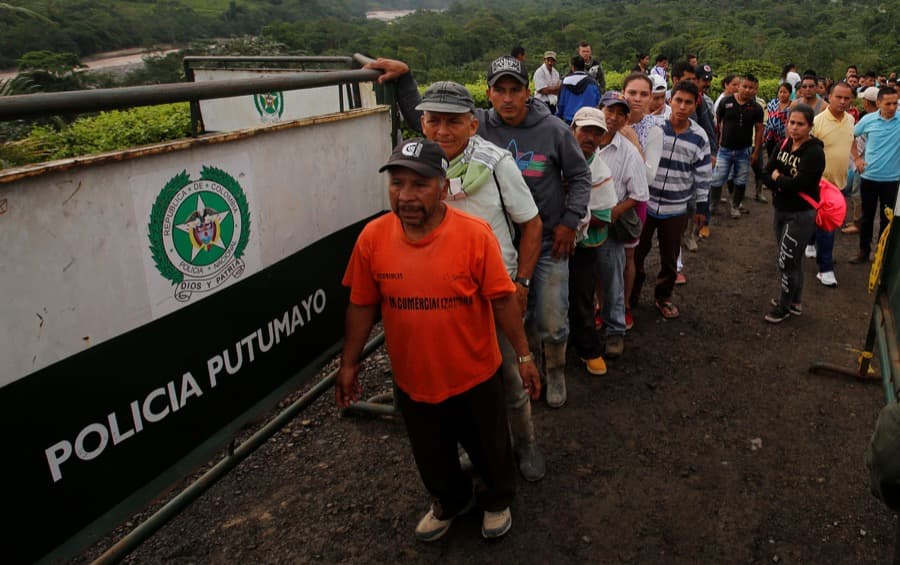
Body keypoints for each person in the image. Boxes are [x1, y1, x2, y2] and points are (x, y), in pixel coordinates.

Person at [337, 138, 541, 541]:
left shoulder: (475, 235)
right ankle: (450, 499)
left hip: (475, 375)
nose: (406, 196)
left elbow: (501, 301)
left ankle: (497, 499)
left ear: (444, 187)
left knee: (490, 446)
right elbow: (362, 305)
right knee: (431, 451)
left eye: (420, 184)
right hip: (413, 378)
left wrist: (523, 356)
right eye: (397, 184)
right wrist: (349, 363)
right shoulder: (372, 239)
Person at [364, 55, 592, 408]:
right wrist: (406, 78)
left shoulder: (554, 131)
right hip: (502, 248)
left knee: (551, 318)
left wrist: (569, 221)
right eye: (499, 90)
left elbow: (580, 176)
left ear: (527, 92)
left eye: (515, 90)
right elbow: (429, 125)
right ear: (488, 93)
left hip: (545, 239)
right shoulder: (478, 124)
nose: (507, 98)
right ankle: (525, 368)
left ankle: (556, 368)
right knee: (517, 317)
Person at [415, 80, 547, 481]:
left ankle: (524, 444)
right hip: (443, 297)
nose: (442, 131)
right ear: (422, 125)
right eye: (433, 121)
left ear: (472, 125)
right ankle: (481, 449)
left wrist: (522, 284)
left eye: (453, 121)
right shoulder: (418, 168)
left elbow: (532, 224)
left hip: (497, 290)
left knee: (510, 374)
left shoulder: (495, 162)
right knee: (458, 385)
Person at [631, 80, 711, 320]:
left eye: (688, 102)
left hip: (676, 208)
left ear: (695, 104)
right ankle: (630, 296)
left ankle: (663, 297)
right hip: (646, 203)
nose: (682, 106)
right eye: (678, 100)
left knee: (669, 258)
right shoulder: (653, 127)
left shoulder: (699, 137)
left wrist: (702, 207)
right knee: (636, 254)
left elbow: (703, 175)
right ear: (669, 100)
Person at [762, 105, 825, 323]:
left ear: (810, 126)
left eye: (800, 124)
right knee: (791, 258)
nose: (794, 128)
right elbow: (764, 172)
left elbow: (802, 184)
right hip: (781, 209)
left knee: (786, 261)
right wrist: (780, 181)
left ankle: (784, 306)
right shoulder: (783, 144)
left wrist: (778, 179)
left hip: (800, 214)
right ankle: (794, 302)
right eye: (791, 123)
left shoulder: (815, 152)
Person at [597, 94, 650, 343]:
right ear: (600, 110)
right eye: (609, 110)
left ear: (626, 119)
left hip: (610, 225)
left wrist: (614, 213)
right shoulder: (581, 141)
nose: (613, 117)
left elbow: (639, 193)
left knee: (612, 280)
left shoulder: (628, 152)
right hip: (580, 224)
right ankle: (592, 320)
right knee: (586, 278)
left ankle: (615, 330)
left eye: (620, 113)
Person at [567, 107, 618, 370]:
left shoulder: (599, 170)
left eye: (596, 132)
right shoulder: (558, 159)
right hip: (552, 239)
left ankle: (587, 348)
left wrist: (575, 221)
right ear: (572, 129)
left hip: (584, 243)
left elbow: (605, 214)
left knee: (582, 295)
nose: (589, 137)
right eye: (585, 129)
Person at [808, 82, 856, 288]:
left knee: (820, 220)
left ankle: (810, 243)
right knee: (828, 226)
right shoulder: (817, 122)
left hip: (841, 182)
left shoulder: (852, 120)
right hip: (821, 184)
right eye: (839, 97)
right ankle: (825, 269)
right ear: (829, 96)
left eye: (847, 98)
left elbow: (851, 143)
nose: (843, 101)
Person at [849, 86, 900, 264]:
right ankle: (863, 251)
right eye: (888, 103)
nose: (893, 107)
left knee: (887, 220)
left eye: (896, 103)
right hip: (869, 178)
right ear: (878, 103)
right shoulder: (868, 120)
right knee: (867, 217)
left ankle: (882, 253)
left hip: (892, 180)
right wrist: (856, 159)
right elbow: (850, 137)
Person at [711, 73, 764, 219]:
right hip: (725, 149)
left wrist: (756, 152)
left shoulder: (757, 108)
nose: (747, 90)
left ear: (756, 90)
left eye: (751, 88)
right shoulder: (725, 102)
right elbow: (718, 123)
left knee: (741, 180)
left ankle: (735, 206)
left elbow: (760, 131)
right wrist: (717, 145)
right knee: (717, 179)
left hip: (744, 151)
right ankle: (713, 205)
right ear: (738, 87)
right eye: (745, 86)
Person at [556, 55, 601, 124]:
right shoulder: (593, 82)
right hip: (589, 121)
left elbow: (561, 104)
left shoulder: (565, 82)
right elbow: (598, 103)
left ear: (573, 67)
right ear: (584, 66)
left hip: (570, 121)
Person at [764, 83, 793, 159]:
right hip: (770, 137)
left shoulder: (792, 105)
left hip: (784, 137)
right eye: (780, 92)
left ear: (790, 93)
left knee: (781, 158)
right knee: (771, 157)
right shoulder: (773, 103)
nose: (782, 94)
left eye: (785, 92)